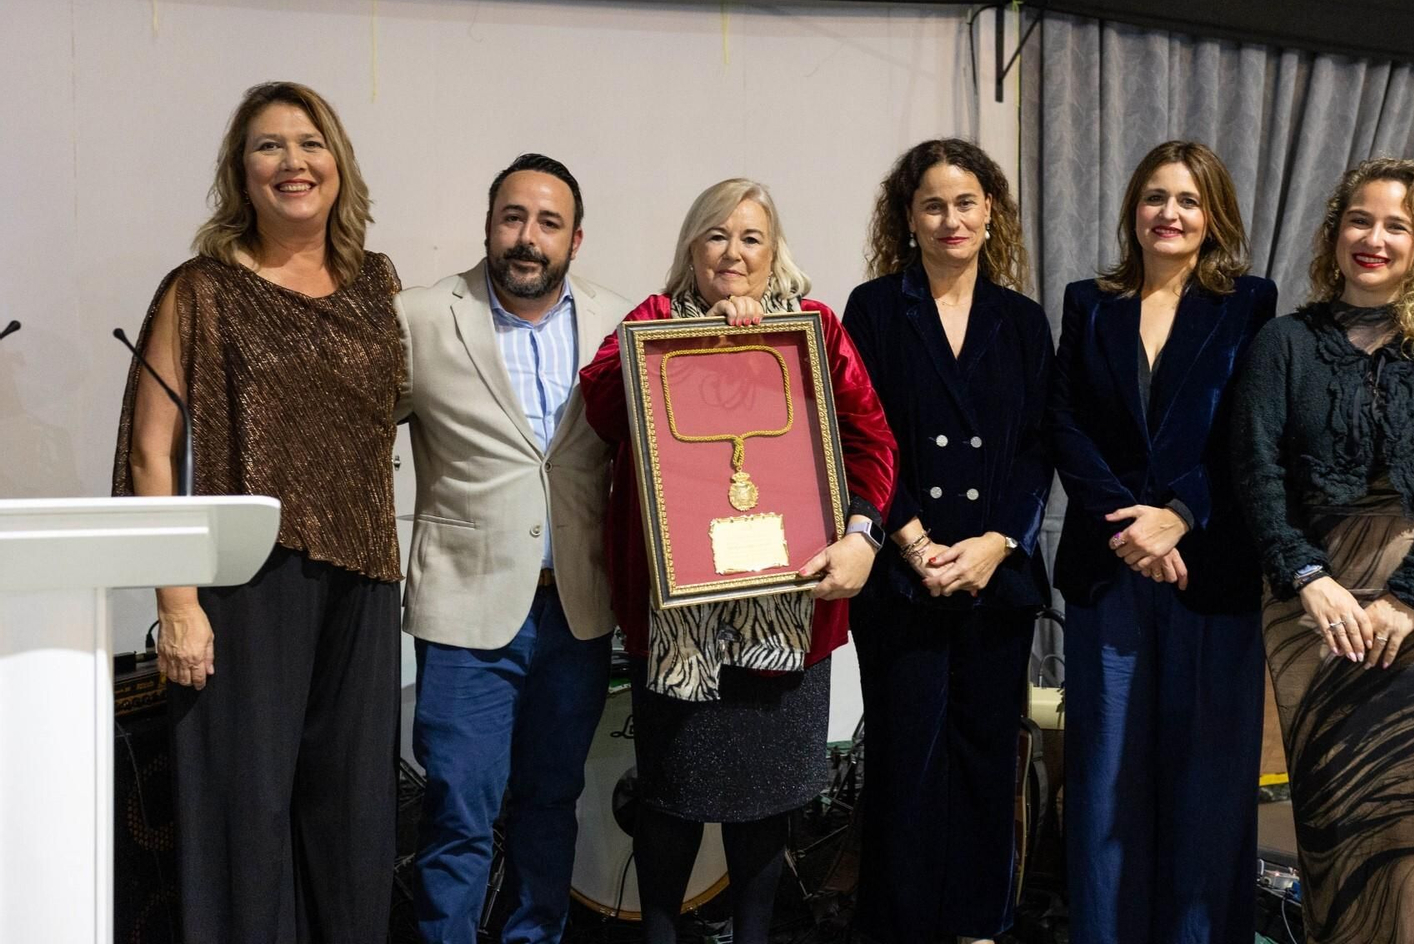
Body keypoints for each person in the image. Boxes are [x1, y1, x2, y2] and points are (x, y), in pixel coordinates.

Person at [113, 81, 402, 943]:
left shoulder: (376, 286)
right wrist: (176, 602)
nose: (292, 162)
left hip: (363, 575)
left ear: (338, 164)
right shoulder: (198, 289)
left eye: (309, 143)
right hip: (245, 583)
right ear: (241, 174)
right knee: (243, 817)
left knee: (352, 819)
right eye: (268, 147)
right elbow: (150, 449)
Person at [578, 178, 896, 944]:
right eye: (716, 234)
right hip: (682, 620)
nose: (733, 251)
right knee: (672, 800)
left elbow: (872, 443)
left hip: (788, 614)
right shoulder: (651, 323)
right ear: (692, 247)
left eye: (751, 237)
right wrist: (697, 345)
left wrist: (863, 533)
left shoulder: (812, 328)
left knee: (766, 806)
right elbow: (602, 412)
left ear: (772, 249)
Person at [1232, 158, 1414, 943]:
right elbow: (1254, 476)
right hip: (1314, 615)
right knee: (1334, 822)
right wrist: (1306, 578)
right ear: (1334, 235)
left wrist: (1410, 598)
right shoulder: (1283, 343)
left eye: (1398, 224)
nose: (1376, 237)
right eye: (1360, 220)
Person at [396, 153, 630, 943]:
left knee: (550, 802)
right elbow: (349, 436)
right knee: (458, 809)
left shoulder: (619, 321)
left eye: (548, 222)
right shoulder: (422, 316)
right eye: (513, 217)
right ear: (489, 223)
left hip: (578, 610)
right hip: (466, 610)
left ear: (576, 238)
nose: (528, 238)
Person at [1048, 140, 1277, 943]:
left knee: (1206, 784)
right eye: (1154, 197)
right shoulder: (1089, 302)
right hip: (1108, 569)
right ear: (1132, 211)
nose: (1168, 213)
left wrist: (1179, 513)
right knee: (1106, 785)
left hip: (1207, 570)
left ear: (1213, 215)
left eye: (1186, 199)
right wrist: (1131, 525)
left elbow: (1251, 431)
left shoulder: (1248, 302)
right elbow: (1065, 423)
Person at [841, 138, 1054, 944]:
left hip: (996, 575)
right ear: (909, 217)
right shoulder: (873, 307)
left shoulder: (1022, 320)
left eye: (966, 202)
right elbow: (862, 430)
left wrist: (1001, 539)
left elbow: (1040, 444)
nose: (951, 218)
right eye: (933, 204)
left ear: (989, 212)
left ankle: (976, 924)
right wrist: (914, 541)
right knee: (904, 759)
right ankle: (896, 925)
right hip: (905, 573)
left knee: (984, 758)